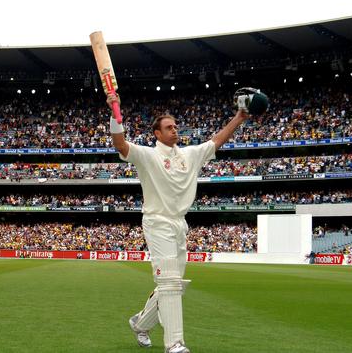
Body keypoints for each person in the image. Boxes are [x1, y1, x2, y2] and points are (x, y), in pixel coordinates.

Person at [108, 90, 260, 353]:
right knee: (169, 282)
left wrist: (240, 117)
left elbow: (216, 142)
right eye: (169, 127)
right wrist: (115, 113)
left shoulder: (189, 154)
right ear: (157, 133)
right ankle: (175, 344)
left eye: (176, 126)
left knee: (173, 284)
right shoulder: (148, 155)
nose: (174, 130)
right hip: (156, 222)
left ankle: (141, 323)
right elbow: (121, 145)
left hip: (179, 224)